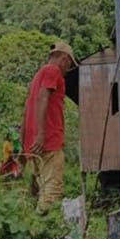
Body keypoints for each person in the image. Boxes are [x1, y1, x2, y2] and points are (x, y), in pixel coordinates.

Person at [21, 41, 78, 211]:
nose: (68, 68)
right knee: (52, 192)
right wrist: (41, 134)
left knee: (39, 191)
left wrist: (24, 143)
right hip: (48, 142)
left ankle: (33, 227)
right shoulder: (53, 71)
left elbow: (26, 111)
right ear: (64, 58)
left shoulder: (38, 76)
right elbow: (43, 98)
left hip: (33, 145)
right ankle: (44, 231)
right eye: (69, 63)